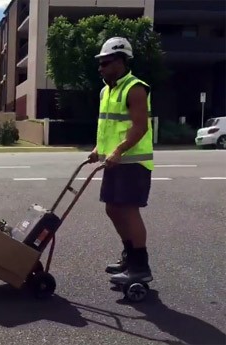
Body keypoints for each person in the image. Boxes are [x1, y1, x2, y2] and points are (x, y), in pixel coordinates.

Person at [88, 37, 154, 285]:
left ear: (121, 61)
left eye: (105, 63)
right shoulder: (107, 90)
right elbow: (109, 127)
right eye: (100, 63)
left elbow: (140, 127)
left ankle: (140, 267)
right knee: (112, 208)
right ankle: (129, 256)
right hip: (115, 161)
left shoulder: (135, 88)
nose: (101, 68)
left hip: (132, 162)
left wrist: (118, 151)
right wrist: (98, 149)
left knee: (128, 211)